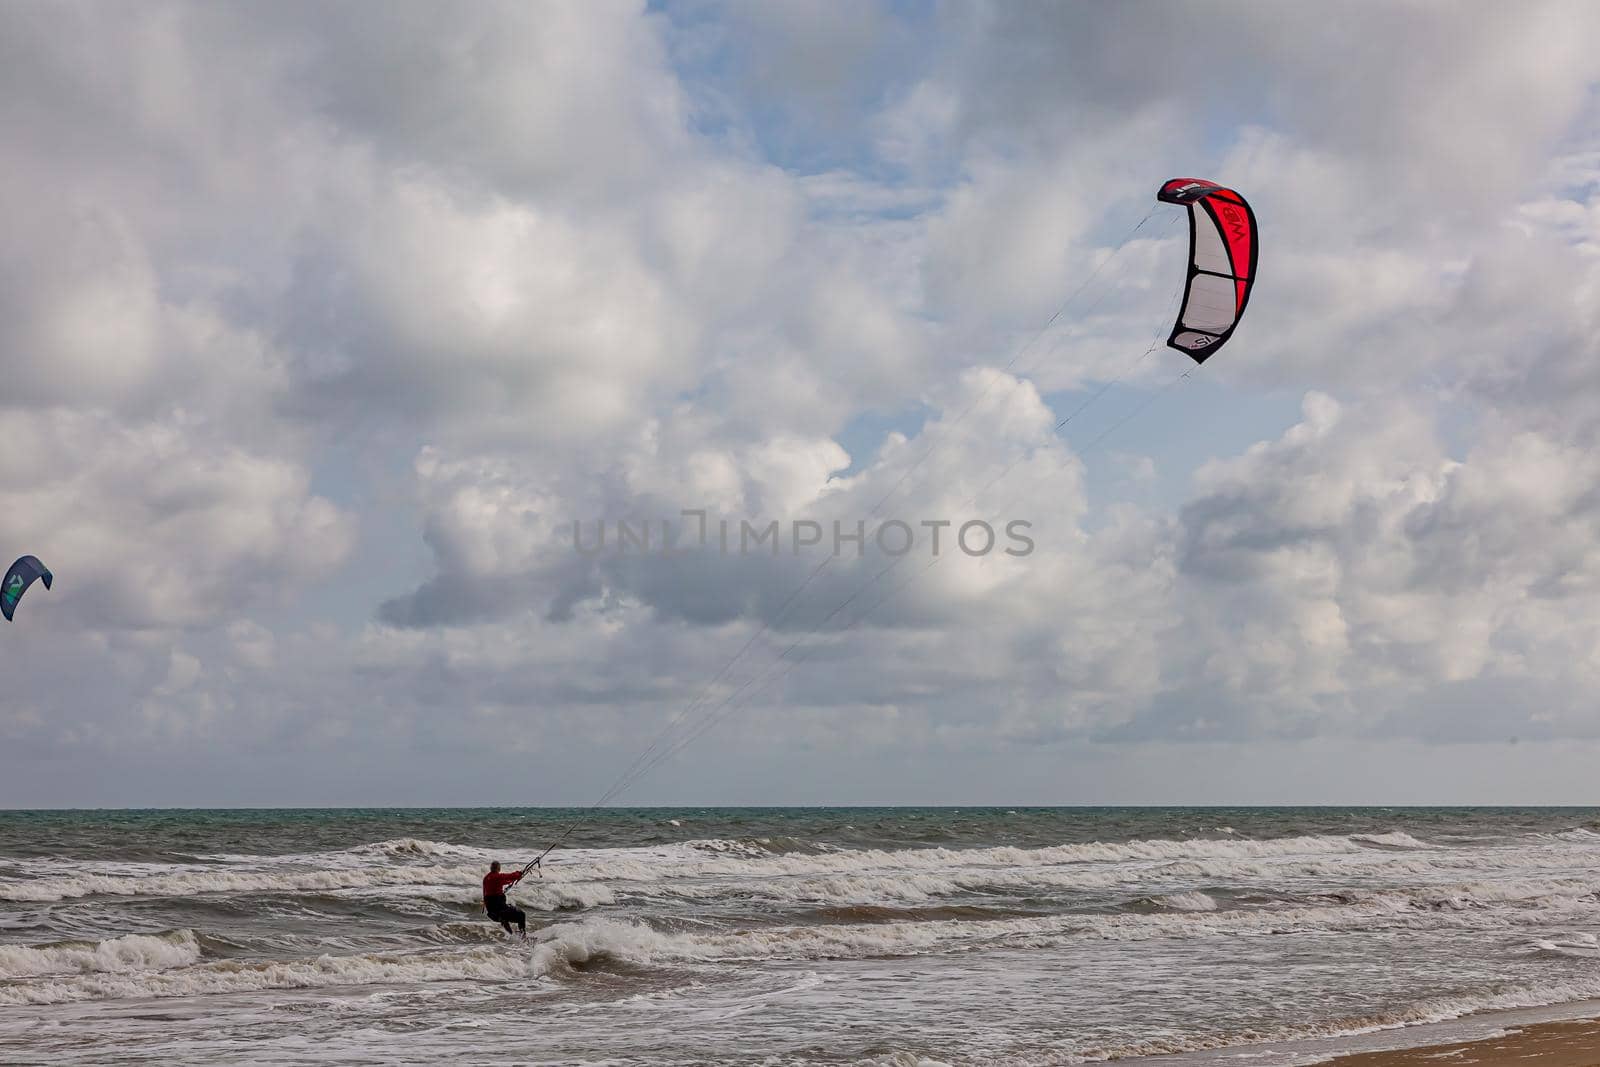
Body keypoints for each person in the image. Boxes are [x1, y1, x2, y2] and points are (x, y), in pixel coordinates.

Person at [482, 861, 527, 938]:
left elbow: (500, 884)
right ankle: (523, 937)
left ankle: (512, 936)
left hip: (492, 913)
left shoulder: (486, 878)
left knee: (504, 918)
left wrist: (511, 881)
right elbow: (511, 876)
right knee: (522, 915)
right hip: (500, 911)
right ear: (498, 868)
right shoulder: (497, 877)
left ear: (491, 868)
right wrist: (519, 873)